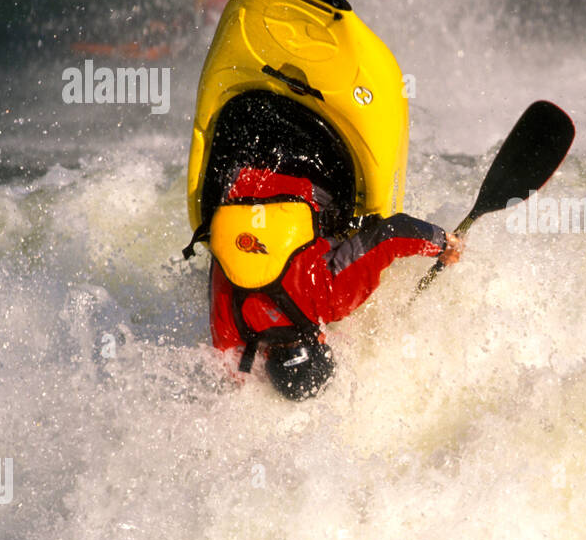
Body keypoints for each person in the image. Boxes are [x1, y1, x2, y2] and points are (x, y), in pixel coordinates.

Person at [187, 166, 462, 400]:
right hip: (233, 175)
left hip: (310, 168)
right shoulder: (229, 330)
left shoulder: (329, 303)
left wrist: (441, 243)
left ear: (321, 340)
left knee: (343, 225)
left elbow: (390, 233)